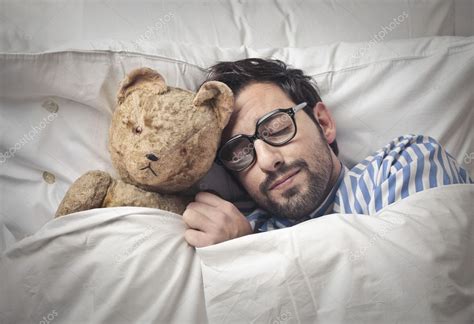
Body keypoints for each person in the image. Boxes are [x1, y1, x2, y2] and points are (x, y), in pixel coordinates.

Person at [182, 58, 473, 248]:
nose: (268, 161)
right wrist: (238, 246)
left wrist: (251, 256)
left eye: (278, 127)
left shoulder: (404, 163)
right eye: (239, 153)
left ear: (323, 123)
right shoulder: (236, 229)